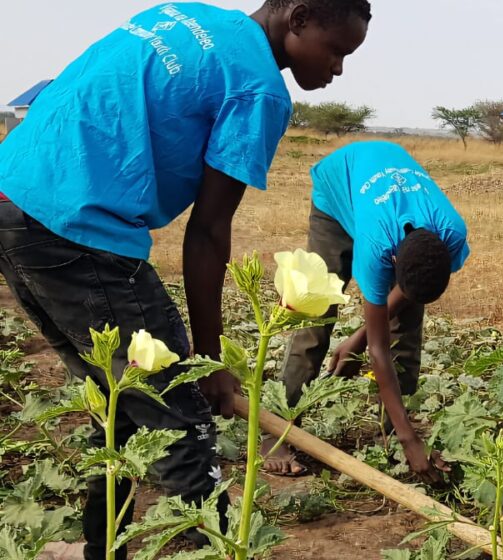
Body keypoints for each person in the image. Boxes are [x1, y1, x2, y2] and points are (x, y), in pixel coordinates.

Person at [0, 1, 370, 558]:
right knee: (180, 414)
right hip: (79, 230)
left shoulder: (178, 14)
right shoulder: (260, 88)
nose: (338, 68)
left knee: (121, 400)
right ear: (296, 18)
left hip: (13, 197)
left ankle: (104, 551)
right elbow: (208, 232)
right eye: (336, 49)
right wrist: (210, 364)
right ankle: (219, 549)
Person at [262, 140, 469, 483]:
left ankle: (389, 433)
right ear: (392, 262)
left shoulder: (451, 234)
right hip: (337, 190)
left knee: (407, 325)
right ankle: (278, 430)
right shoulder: (376, 247)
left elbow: (406, 294)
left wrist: (358, 337)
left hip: (381, 193)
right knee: (317, 309)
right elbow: (378, 350)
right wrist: (365, 340)